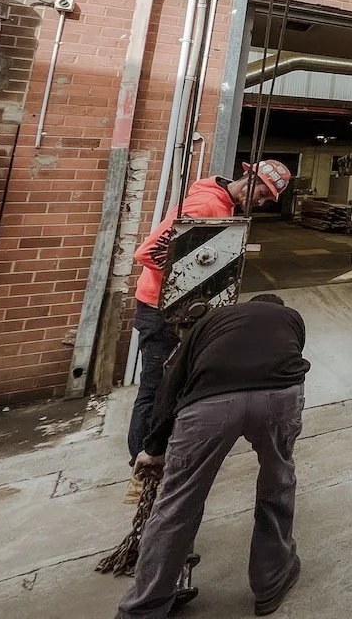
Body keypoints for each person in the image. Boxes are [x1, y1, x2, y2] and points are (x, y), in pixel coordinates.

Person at [115, 293, 310, 619]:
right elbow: (289, 360)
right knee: (278, 481)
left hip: (210, 403)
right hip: (279, 396)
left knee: (177, 503)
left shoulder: (210, 323)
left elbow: (171, 383)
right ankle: (271, 580)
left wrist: (155, 448)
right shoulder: (291, 319)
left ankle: (144, 607)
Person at [125, 160, 293, 500]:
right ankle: (143, 467)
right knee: (156, 389)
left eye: (266, 199)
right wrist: (195, 280)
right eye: (261, 193)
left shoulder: (223, 203)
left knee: (174, 386)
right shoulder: (205, 204)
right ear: (249, 178)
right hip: (162, 312)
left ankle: (159, 456)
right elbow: (149, 252)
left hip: (180, 310)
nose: (260, 202)